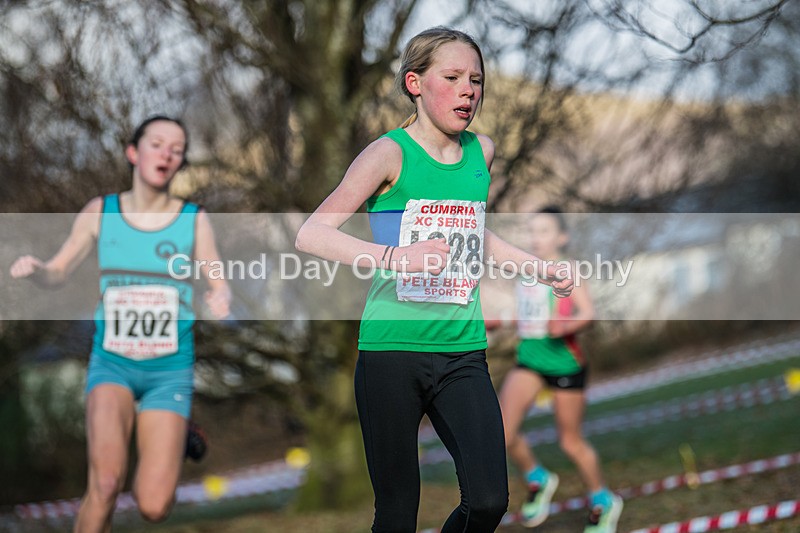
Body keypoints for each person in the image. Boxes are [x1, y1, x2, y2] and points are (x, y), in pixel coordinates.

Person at [295, 27, 574, 533]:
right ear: (415, 83)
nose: (469, 89)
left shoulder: (480, 153)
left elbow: (474, 237)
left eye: (477, 79)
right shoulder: (388, 154)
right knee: (398, 514)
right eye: (453, 77)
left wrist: (539, 267)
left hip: (462, 351)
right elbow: (312, 234)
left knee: (489, 500)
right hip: (390, 352)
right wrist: (397, 257)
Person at [10, 115, 231, 532]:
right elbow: (58, 271)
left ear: (181, 163)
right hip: (112, 365)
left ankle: (177, 427)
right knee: (106, 483)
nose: (167, 153)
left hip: (169, 370)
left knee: (153, 504)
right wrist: (38, 269)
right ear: (133, 152)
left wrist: (220, 295)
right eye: (157, 143)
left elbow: (216, 278)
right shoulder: (100, 212)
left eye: (177, 148)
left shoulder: (193, 219)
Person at [492, 207, 623, 532]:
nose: (536, 238)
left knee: (570, 442)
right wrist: (501, 321)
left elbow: (588, 314)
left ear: (561, 237)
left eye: (544, 231)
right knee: (500, 432)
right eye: (532, 231)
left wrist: (564, 325)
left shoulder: (568, 270)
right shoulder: (525, 272)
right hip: (530, 362)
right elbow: (528, 317)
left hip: (564, 364)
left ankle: (603, 500)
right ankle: (538, 479)